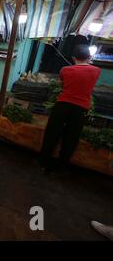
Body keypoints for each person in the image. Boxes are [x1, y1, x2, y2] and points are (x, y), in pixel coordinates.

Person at [39, 45, 101, 173]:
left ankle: (44, 163)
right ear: (89, 57)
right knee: (71, 137)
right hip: (81, 109)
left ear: (73, 57)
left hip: (62, 105)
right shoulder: (96, 70)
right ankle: (61, 166)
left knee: (52, 134)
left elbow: (62, 82)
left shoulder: (65, 70)